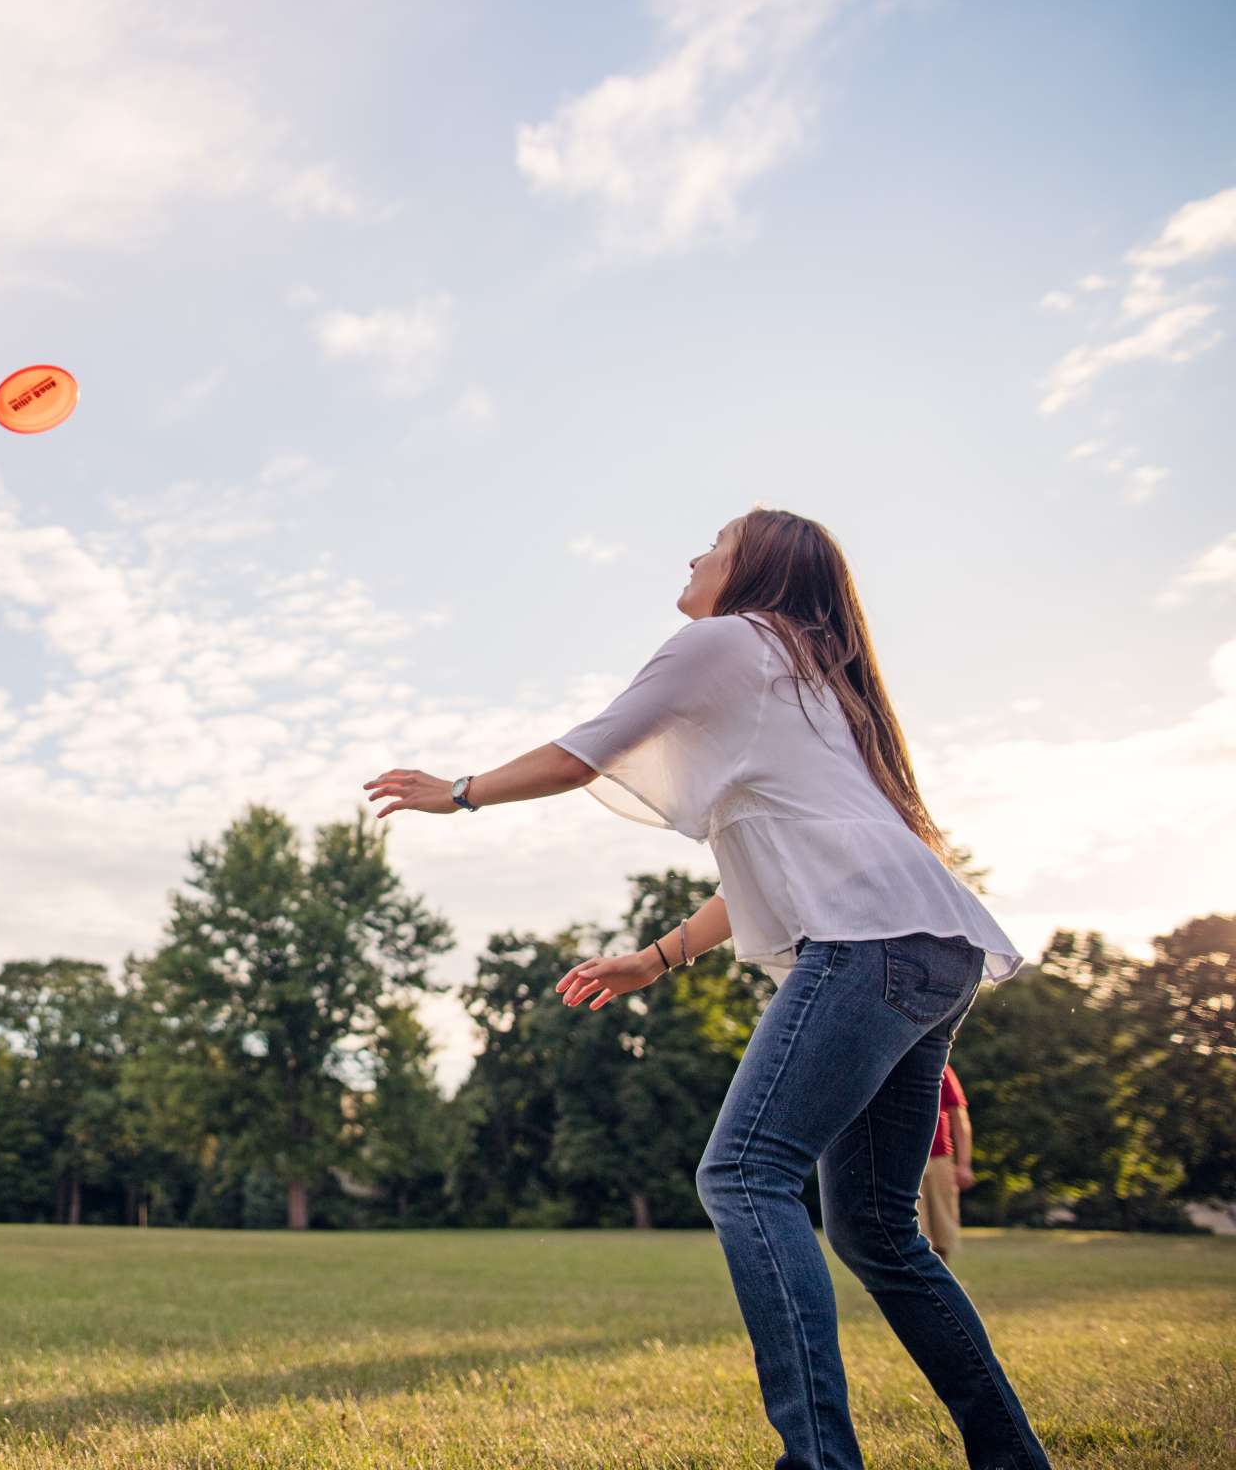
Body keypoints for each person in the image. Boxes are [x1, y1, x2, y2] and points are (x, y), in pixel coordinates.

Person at [364, 508, 1051, 1470]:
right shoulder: (806, 675)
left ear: (756, 570)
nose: (694, 555)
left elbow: (586, 749)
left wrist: (463, 790)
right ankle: (1012, 1460)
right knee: (879, 1231)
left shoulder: (730, 639)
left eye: (715, 544)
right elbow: (770, 863)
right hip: (933, 947)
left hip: (874, 945)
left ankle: (818, 1461)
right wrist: (655, 957)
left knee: (742, 1174)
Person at [922, 1063, 975, 1262]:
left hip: (940, 1159)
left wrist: (964, 1164)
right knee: (915, 1235)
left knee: (942, 1235)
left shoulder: (940, 1068)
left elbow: (959, 1119)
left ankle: (939, 1288)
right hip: (906, 1160)